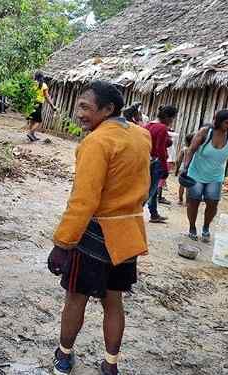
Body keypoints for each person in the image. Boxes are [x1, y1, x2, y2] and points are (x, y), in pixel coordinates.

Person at [48, 81, 151, 375]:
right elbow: (142, 188)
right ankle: (110, 364)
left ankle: (64, 356)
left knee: (75, 298)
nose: (79, 113)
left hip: (96, 234)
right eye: (78, 105)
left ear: (108, 110)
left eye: (86, 107)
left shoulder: (96, 142)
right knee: (113, 301)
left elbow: (84, 200)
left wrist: (62, 244)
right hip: (128, 233)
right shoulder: (141, 136)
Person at [182, 109, 228, 242]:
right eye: (227, 123)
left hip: (215, 176)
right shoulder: (205, 133)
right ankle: (192, 227)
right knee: (194, 201)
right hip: (196, 173)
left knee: (213, 202)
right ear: (219, 122)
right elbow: (191, 150)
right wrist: (185, 168)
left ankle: (206, 227)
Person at [145, 105, 178, 223]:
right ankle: (135, 214)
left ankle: (154, 214)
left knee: (151, 190)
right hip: (156, 162)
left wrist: (167, 141)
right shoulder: (162, 128)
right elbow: (160, 150)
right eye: (172, 119)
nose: (172, 122)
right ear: (169, 117)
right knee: (150, 191)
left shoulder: (148, 125)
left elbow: (159, 143)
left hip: (146, 160)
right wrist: (165, 169)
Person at [27, 71, 54, 142]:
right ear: (42, 77)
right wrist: (52, 105)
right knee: (38, 121)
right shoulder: (43, 85)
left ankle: (32, 135)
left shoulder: (32, 84)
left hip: (31, 103)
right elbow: (47, 97)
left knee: (32, 120)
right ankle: (30, 133)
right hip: (38, 104)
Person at [175, 132, 194, 205]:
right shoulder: (195, 150)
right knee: (189, 186)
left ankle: (180, 200)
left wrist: (177, 169)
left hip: (183, 168)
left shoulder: (184, 149)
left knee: (182, 185)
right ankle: (187, 202)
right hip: (191, 169)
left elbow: (178, 160)